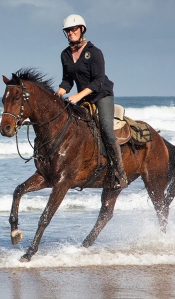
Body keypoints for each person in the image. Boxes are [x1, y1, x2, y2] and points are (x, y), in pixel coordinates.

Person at [55, 14, 128, 189]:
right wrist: (59, 92)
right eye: (68, 31)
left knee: (106, 131)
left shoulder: (94, 52)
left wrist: (78, 96)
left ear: (82, 30)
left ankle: (120, 173)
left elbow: (98, 81)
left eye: (74, 29)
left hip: (101, 94)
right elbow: (67, 80)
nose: (71, 33)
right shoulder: (65, 55)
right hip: (84, 97)